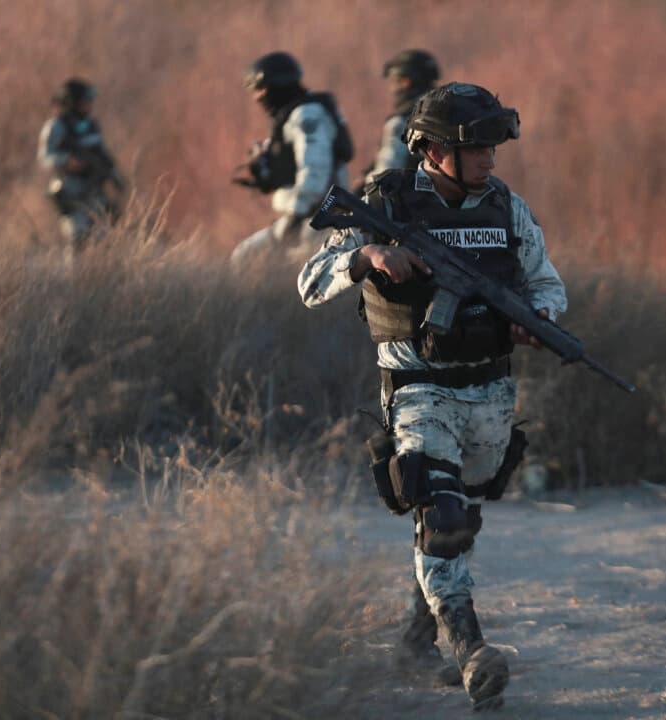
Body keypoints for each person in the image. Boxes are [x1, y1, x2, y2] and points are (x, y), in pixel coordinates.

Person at [297, 82, 567, 711]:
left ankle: (423, 631)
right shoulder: (385, 202)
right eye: (476, 147)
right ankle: (472, 651)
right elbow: (310, 283)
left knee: (459, 516)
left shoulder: (507, 208)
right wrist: (367, 254)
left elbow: (547, 284)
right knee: (440, 515)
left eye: (493, 146)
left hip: (490, 392)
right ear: (434, 149)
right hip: (418, 386)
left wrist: (537, 317)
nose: (489, 159)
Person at [232, 52, 353, 267]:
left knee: (250, 260)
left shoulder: (308, 115)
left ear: (275, 86)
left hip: (316, 220)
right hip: (305, 217)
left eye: (260, 90)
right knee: (244, 256)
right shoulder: (297, 114)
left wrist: (295, 218)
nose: (256, 97)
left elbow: (315, 169)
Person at [37, 78, 125, 260]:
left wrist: (115, 175)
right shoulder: (56, 126)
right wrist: (68, 161)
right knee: (77, 238)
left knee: (104, 235)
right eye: (85, 101)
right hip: (70, 190)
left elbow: (102, 154)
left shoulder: (91, 126)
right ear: (73, 102)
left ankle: (100, 278)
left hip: (94, 190)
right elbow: (45, 158)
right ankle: (74, 282)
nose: (89, 105)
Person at [357, 49, 440, 189]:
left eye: (397, 82)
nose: (393, 89)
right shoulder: (444, 115)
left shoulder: (401, 123)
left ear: (407, 83)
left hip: (410, 203)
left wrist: (362, 190)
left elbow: (386, 173)